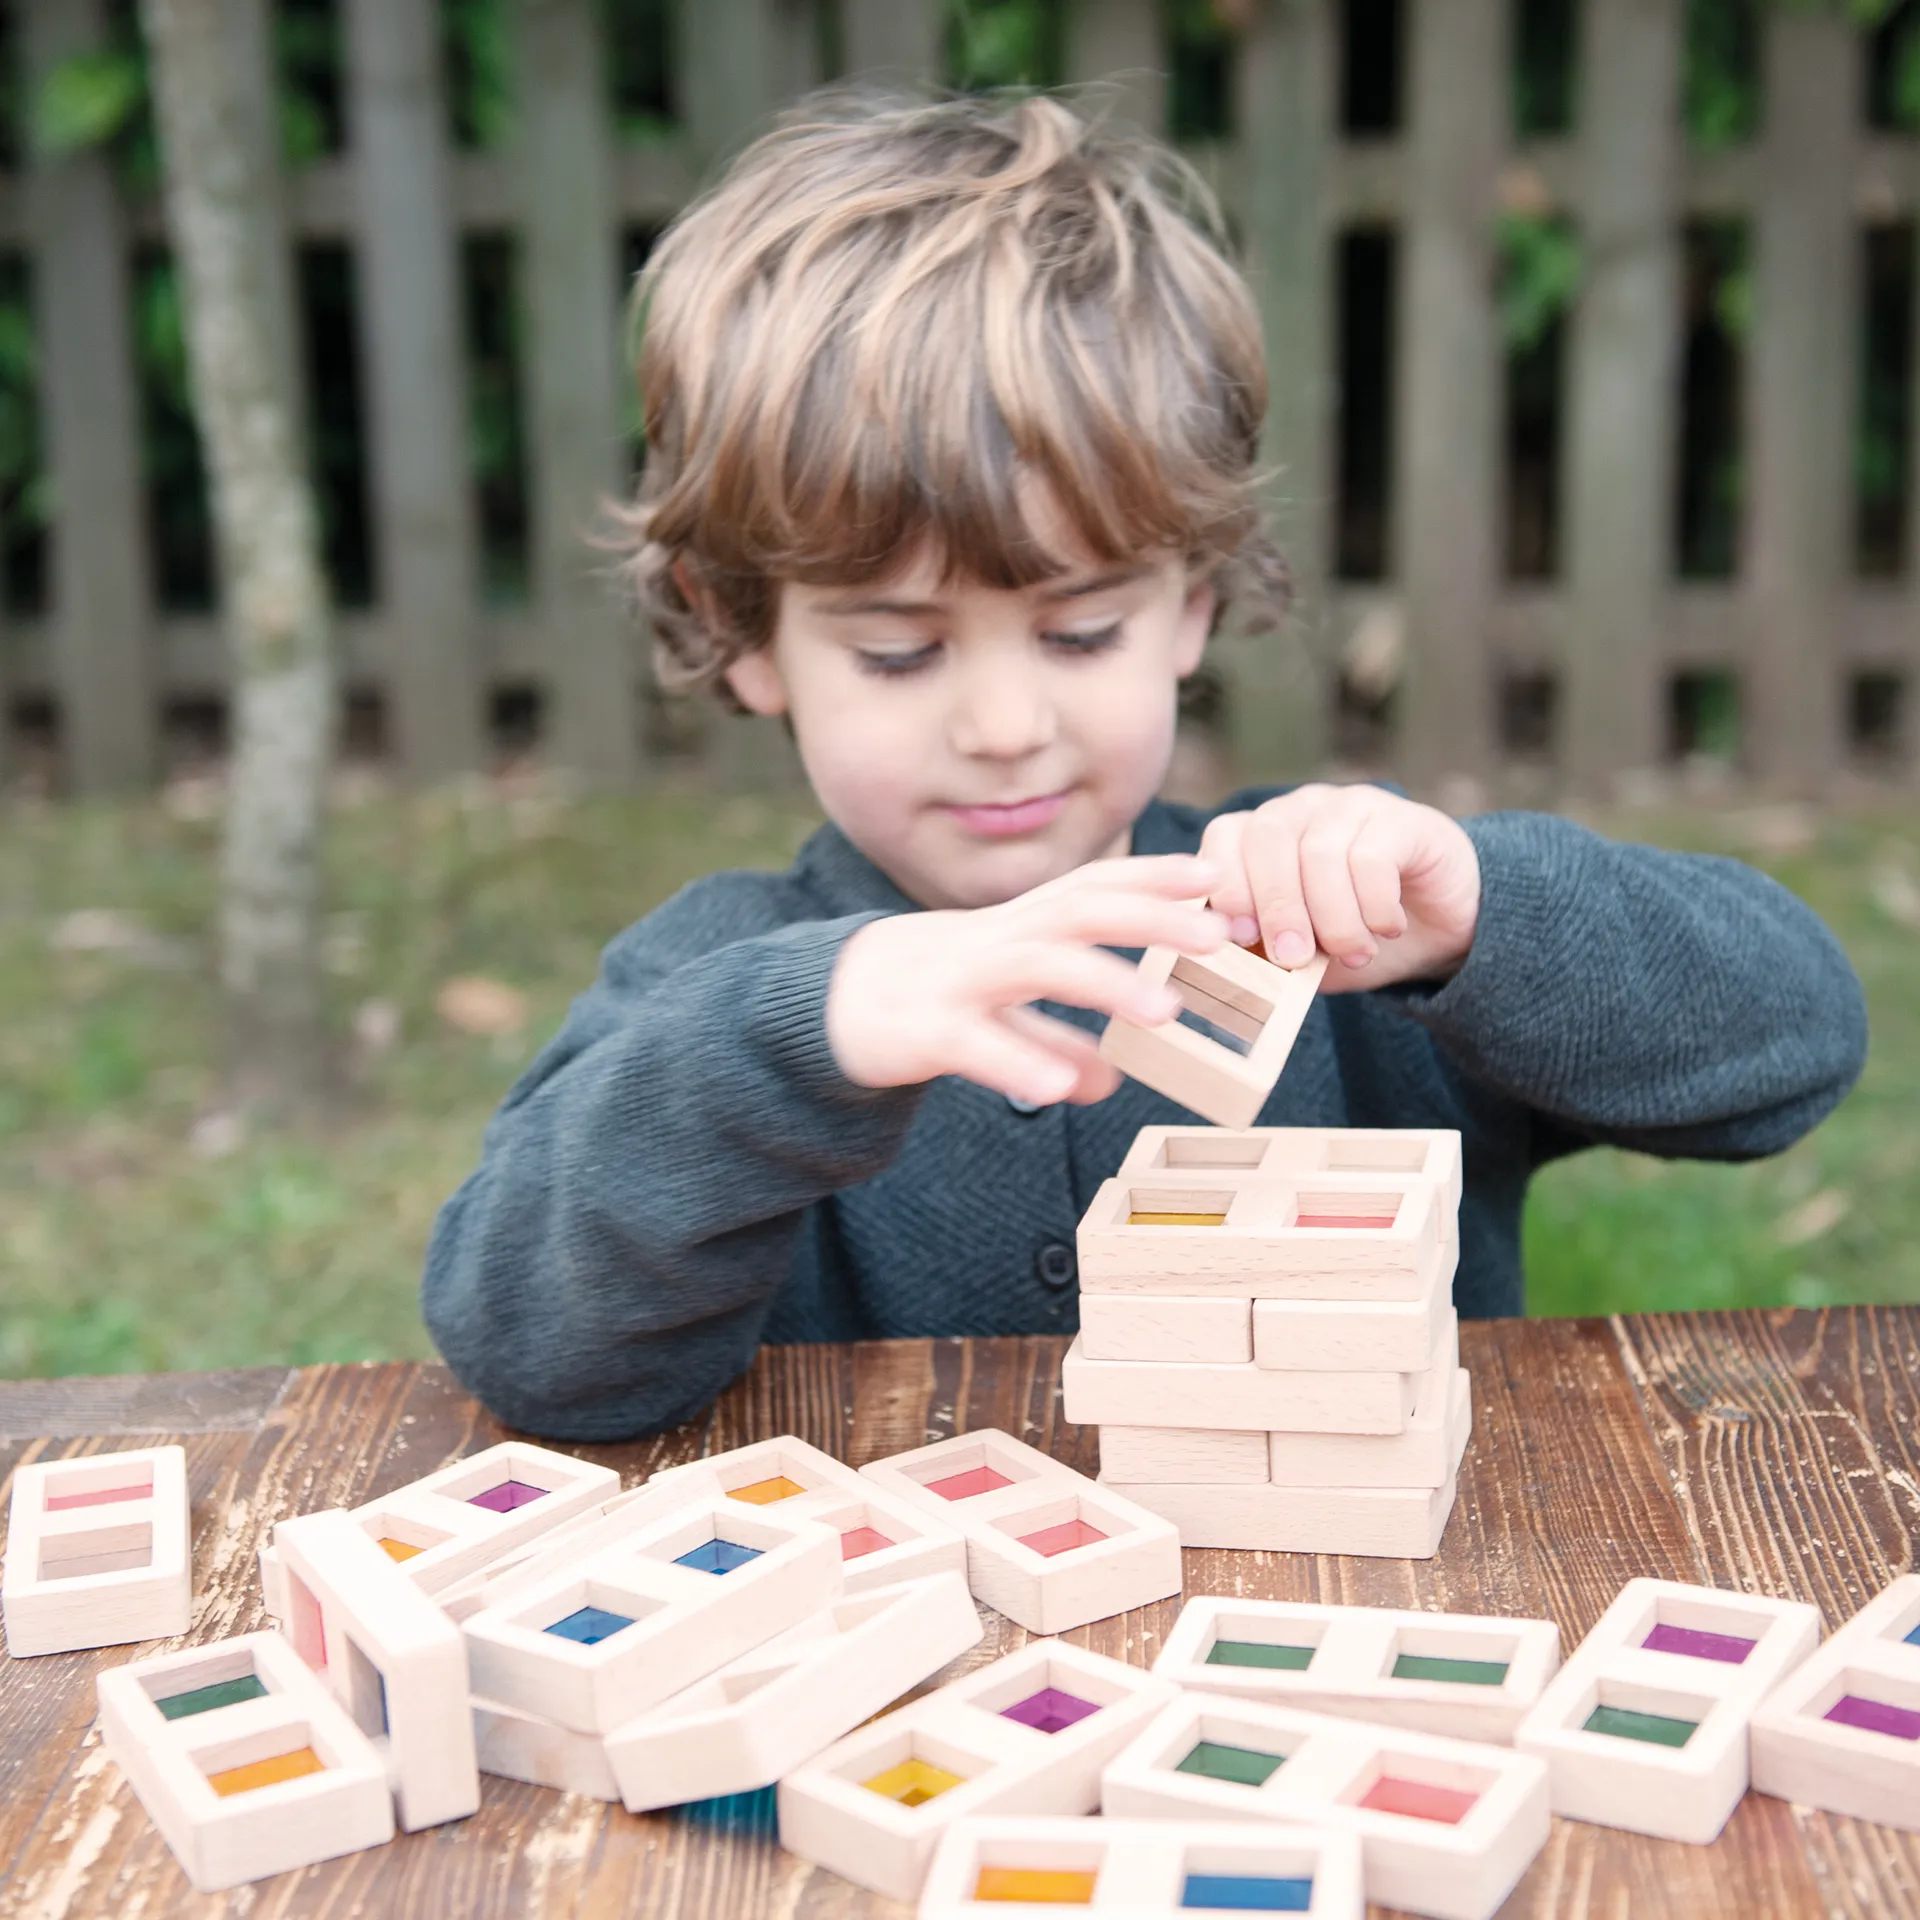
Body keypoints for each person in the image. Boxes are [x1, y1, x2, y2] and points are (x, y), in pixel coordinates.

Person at [422, 90, 1866, 1442]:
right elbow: (529, 1345)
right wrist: (801, 1037)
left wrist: (1488, 913)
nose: (1001, 726)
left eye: (1080, 630)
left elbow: (1793, 1053)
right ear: (741, 633)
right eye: (900, 654)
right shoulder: (728, 979)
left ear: (1187, 605)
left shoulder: (1333, 941)